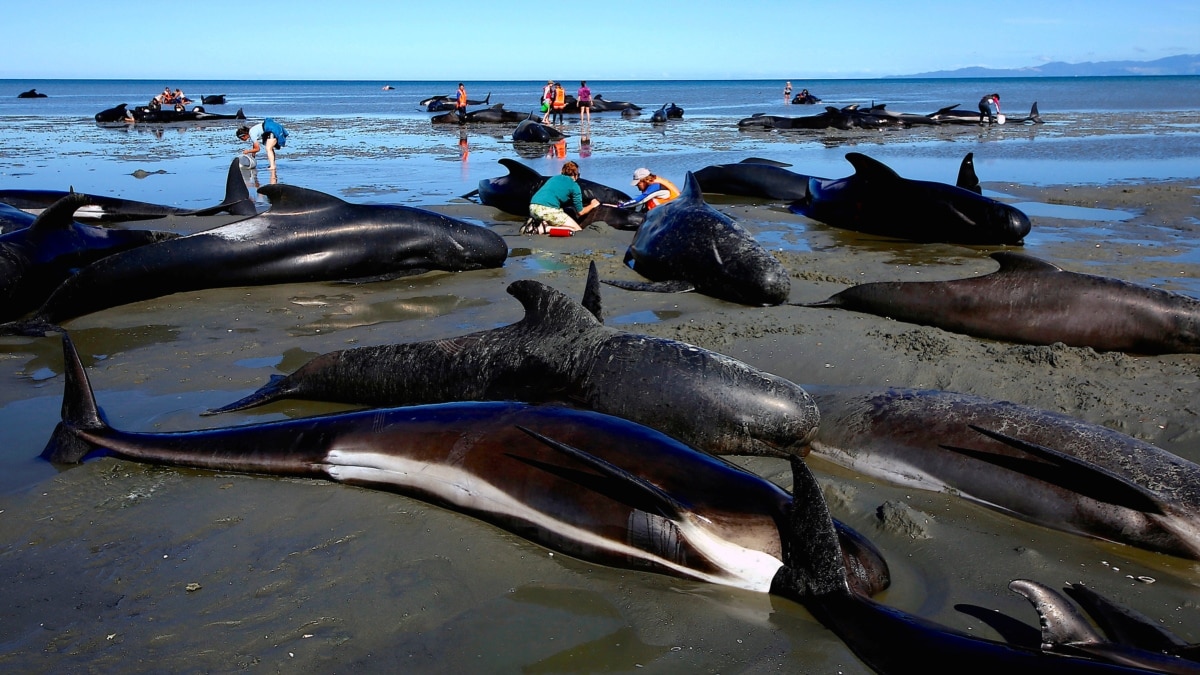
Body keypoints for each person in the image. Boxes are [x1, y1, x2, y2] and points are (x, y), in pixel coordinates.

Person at [527, 161, 599, 233]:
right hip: (547, 210)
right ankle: (546, 228)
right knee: (577, 230)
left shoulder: (553, 178)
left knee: (552, 217)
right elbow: (581, 212)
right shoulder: (574, 185)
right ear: (576, 174)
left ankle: (536, 224)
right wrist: (592, 205)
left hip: (533, 207)